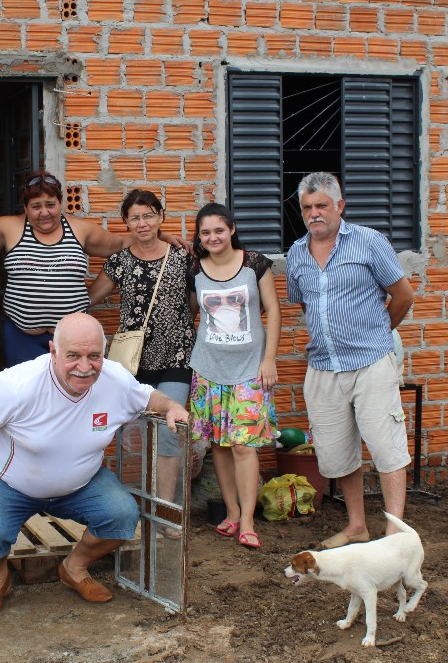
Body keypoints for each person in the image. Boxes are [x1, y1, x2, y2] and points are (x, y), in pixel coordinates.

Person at [0, 313, 189, 616]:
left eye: (94, 356)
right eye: (73, 356)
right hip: (10, 482)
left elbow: (146, 397)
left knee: (121, 517)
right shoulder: (19, 384)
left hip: (82, 483)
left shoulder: (114, 379)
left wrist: (170, 407)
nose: (84, 366)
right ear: (52, 351)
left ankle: (74, 568)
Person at [0, 170, 187, 367]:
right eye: (35, 206)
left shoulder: (80, 230)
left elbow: (119, 242)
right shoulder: (7, 228)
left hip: (72, 340)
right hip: (22, 336)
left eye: (51, 204)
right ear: (25, 208)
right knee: (27, 403)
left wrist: (159, 235)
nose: (44, 212)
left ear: (61, 203)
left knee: (72, 399)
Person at [286, 171, 415, 549]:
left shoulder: (369, 242)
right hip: (324, 366)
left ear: (340, 206)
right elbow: (305, 304)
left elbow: (403, 295)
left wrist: (379, 334)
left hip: (371, 362)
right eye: (307, 207)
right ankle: (357, 525)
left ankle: (394, 534)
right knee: (338, 452)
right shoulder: (297, 253)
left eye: (322, 205)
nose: (314, 213)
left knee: (386, 446)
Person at [87, 189, 196, 513]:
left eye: (148, 215)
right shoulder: (119, 262)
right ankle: (131, 506)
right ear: (126, 222)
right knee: (130, 437)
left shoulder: (182, 257)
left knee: (168, 432)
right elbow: (90, 298)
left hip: (176, 356)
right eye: (135, 217)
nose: (142, 222)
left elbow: (195, 302)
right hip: (132, 362)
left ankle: (165, 510)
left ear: (161, 217)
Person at [188, 203, 281, 550]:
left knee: (243, 445)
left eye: (219, 230)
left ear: (231, 230)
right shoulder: (195, 269)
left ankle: (247, 520)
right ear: (199, 237)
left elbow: (273, 309)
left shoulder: (254, 264)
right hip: (208, 369)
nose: (213, 237)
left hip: (249, 370)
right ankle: (230, 512)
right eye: (205, 232)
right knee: (219, 446)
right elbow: (191, 310)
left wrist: (269, 359)